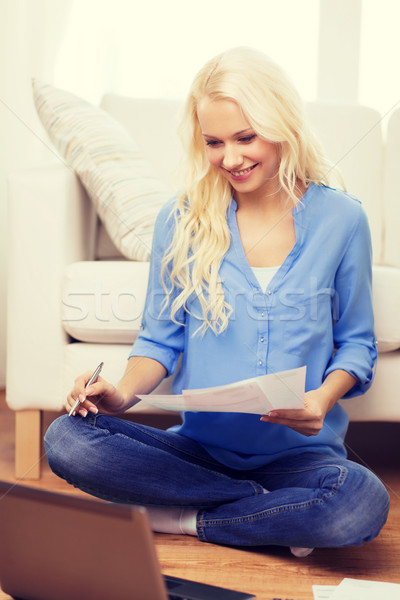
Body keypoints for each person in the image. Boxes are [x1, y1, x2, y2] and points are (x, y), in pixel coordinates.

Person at [45, 47, 389, 557]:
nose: (230, 158)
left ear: (282, 126)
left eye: (246, 138)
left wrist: (320, 400)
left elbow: (357, 345)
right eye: (214, 142)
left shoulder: (342, 219)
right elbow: (158, 339)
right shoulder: (181, 219)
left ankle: (184, 518)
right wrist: (119, 394)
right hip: (198, 453)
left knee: (359, 502)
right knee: (64, 439)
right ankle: (275, 511)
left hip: (303, 458)